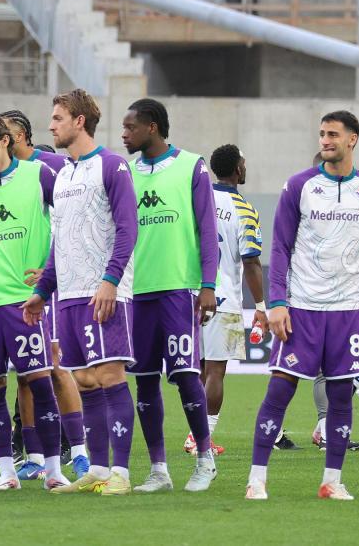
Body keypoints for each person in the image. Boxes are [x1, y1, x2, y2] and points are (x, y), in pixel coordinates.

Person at [245, 110, 359, 501]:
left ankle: (332, 481)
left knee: (341, 398)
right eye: (322, 134)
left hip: (348, 311)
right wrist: (277, 303)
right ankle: (256, 479)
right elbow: (280, 247)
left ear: (352, 139)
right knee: (279, 391)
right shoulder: (299, 186)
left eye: (333, 135)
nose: (324, 140)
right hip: (302, 309)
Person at [23, 88, 138, 496]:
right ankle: (99, 468)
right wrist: (43, 290)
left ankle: (121, 474)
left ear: (79, 121)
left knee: (109, 376)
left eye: (57, 118)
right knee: (86, 381)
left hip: (102, 291)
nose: (50, 125)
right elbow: (60, 240)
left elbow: (128, 229)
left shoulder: (112, 166)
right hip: (68, 295)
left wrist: (110, 280)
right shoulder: (64, 175)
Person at [0, 115, 70, 492]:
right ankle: (6, 472)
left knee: (40, 383)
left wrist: (51, 272)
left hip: (26, 303)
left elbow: (70, 222)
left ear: (5, 141)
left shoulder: (39, 175)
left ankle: (53, 470)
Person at [119, 98, 219, 493]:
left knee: (185, 374)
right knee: (144, 380)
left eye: (130, 127)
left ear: (152, 128)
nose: (124, 134)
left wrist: (208, 285)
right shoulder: (124, 171)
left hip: (177, 288)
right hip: (135, 291)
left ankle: (205, 459)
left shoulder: (192, 165)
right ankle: (159, 469)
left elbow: (207, 230)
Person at [0, 109, 88, 479]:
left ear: (16, 136)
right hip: (13, 289)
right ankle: (34, 455)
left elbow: (72, 217)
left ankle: (80, 450)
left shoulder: (49, 167)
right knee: (24, 374)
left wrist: (54, 266)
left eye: (0, 135)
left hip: (49, 286)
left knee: (55, 365)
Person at [192, 144, 266, 456]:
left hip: (189, 294)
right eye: (244, 163)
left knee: (196, 370)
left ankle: (194, 433)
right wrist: (261, 307)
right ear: (237, 169)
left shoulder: (195, 198)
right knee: (216, 372)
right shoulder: (245, 210)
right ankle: (201, 439)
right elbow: (251, 262)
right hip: (223, 298)